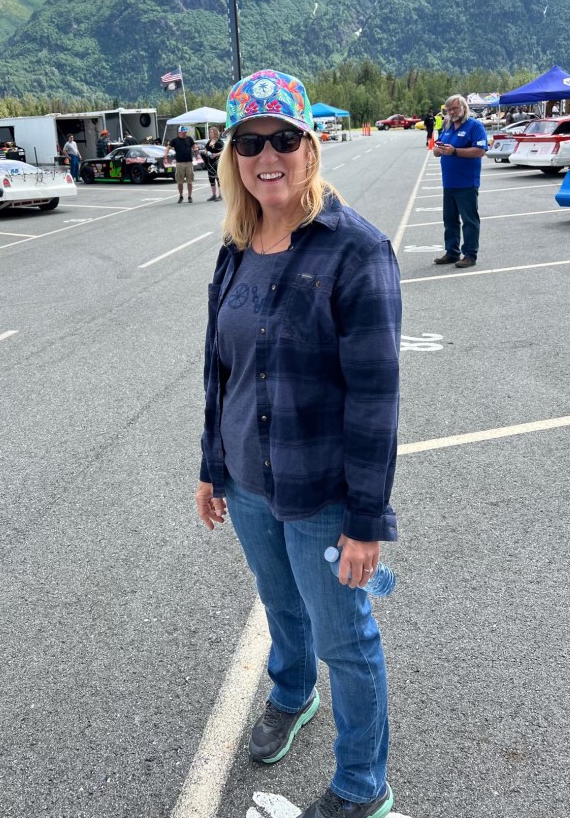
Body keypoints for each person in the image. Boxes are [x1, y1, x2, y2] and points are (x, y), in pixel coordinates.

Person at [196, 68, 401, 818]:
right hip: (248, 481)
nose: (267, 156)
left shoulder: (356, 251)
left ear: (310, 146)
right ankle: (291, 692)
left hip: (322, 491)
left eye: (284, 138)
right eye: (249, 142)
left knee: (346, 640)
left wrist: (365, 521)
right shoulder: (236, 245)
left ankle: (362, 787)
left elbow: (376, 399)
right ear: (233, 158)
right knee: (279, 602)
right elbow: (221, 369)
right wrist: (211, 468)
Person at [433, 93, 488, 269]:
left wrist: (455, 151)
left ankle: (470, 255)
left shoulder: (475, 126)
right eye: (448, 110)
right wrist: (438, 150)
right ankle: (452, 252)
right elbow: (437, 147)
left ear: (464, 108)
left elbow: (480, 151)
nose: (451, 112)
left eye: (454, 108)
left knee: (469, 221)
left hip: (466, 183)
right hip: (449, 182)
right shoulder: (448, 126)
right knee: (449, 220)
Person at [164, 125, 195, 203]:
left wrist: (195, 148)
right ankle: (181, 196)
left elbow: (194, 146)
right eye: (183, 132)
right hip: (179, 163)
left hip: (189, 162)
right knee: (180, 182)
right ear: (179, 132)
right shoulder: (175, 140)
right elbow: (168, 147)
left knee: (189, 181)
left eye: (185, 132)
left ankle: (189, 196)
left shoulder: (189, 139)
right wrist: (165, 154)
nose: (185, 134)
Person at [203, 126, 224, 201]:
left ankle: (220, 195)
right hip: (210, 163)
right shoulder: (209, 141)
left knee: (218, 179)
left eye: (211, 132)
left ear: (215, 133)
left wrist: (215, 155)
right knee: (211, 179)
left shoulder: (219, 142)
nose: (210, 133)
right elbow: (206, 149)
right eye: (210, 132)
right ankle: (214, 195)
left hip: (217, 162)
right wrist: (205, 151)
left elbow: (224, 151)